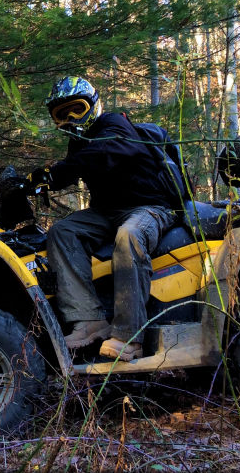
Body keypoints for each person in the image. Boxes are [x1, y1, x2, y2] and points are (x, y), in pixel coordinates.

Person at [33, 76, 180, 361]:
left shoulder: (113, 125)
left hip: (149, 207)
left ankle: (130, 337)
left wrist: (58, 171)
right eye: (62, 114)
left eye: (76, 108)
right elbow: (74, 169)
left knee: (129, 237)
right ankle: (89, 320)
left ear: (92, 105)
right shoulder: (79, 145)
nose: (71, 118)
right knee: (62, 232)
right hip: (107, 211)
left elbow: (105, 152)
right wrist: (38, 181)